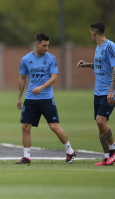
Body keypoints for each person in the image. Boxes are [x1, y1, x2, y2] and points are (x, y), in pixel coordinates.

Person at [16, 33, 76, 164]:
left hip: (46, 98)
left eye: (48, 45)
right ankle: (26, 157)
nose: (47, 48)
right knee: (25, 126)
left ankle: (70, 151)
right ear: (36, 45)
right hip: (31, 98)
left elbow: (54, 77)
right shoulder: (26, 59)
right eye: (44, 45)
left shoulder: (51, 59)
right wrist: (19, 97)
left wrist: (41, 88)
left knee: (54, 126)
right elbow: (22, 78)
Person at [77, 21, 115, 166]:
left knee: (100, 121)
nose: (90, 34)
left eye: (90, 32)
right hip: (98, 92)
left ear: (94, 33)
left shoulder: (110, 46)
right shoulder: (98, 47)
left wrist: (111, 90)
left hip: (109, 92)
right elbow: (101, 66)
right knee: (100, 125)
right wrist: (87, 65)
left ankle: (114, 149)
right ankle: (106, 157)